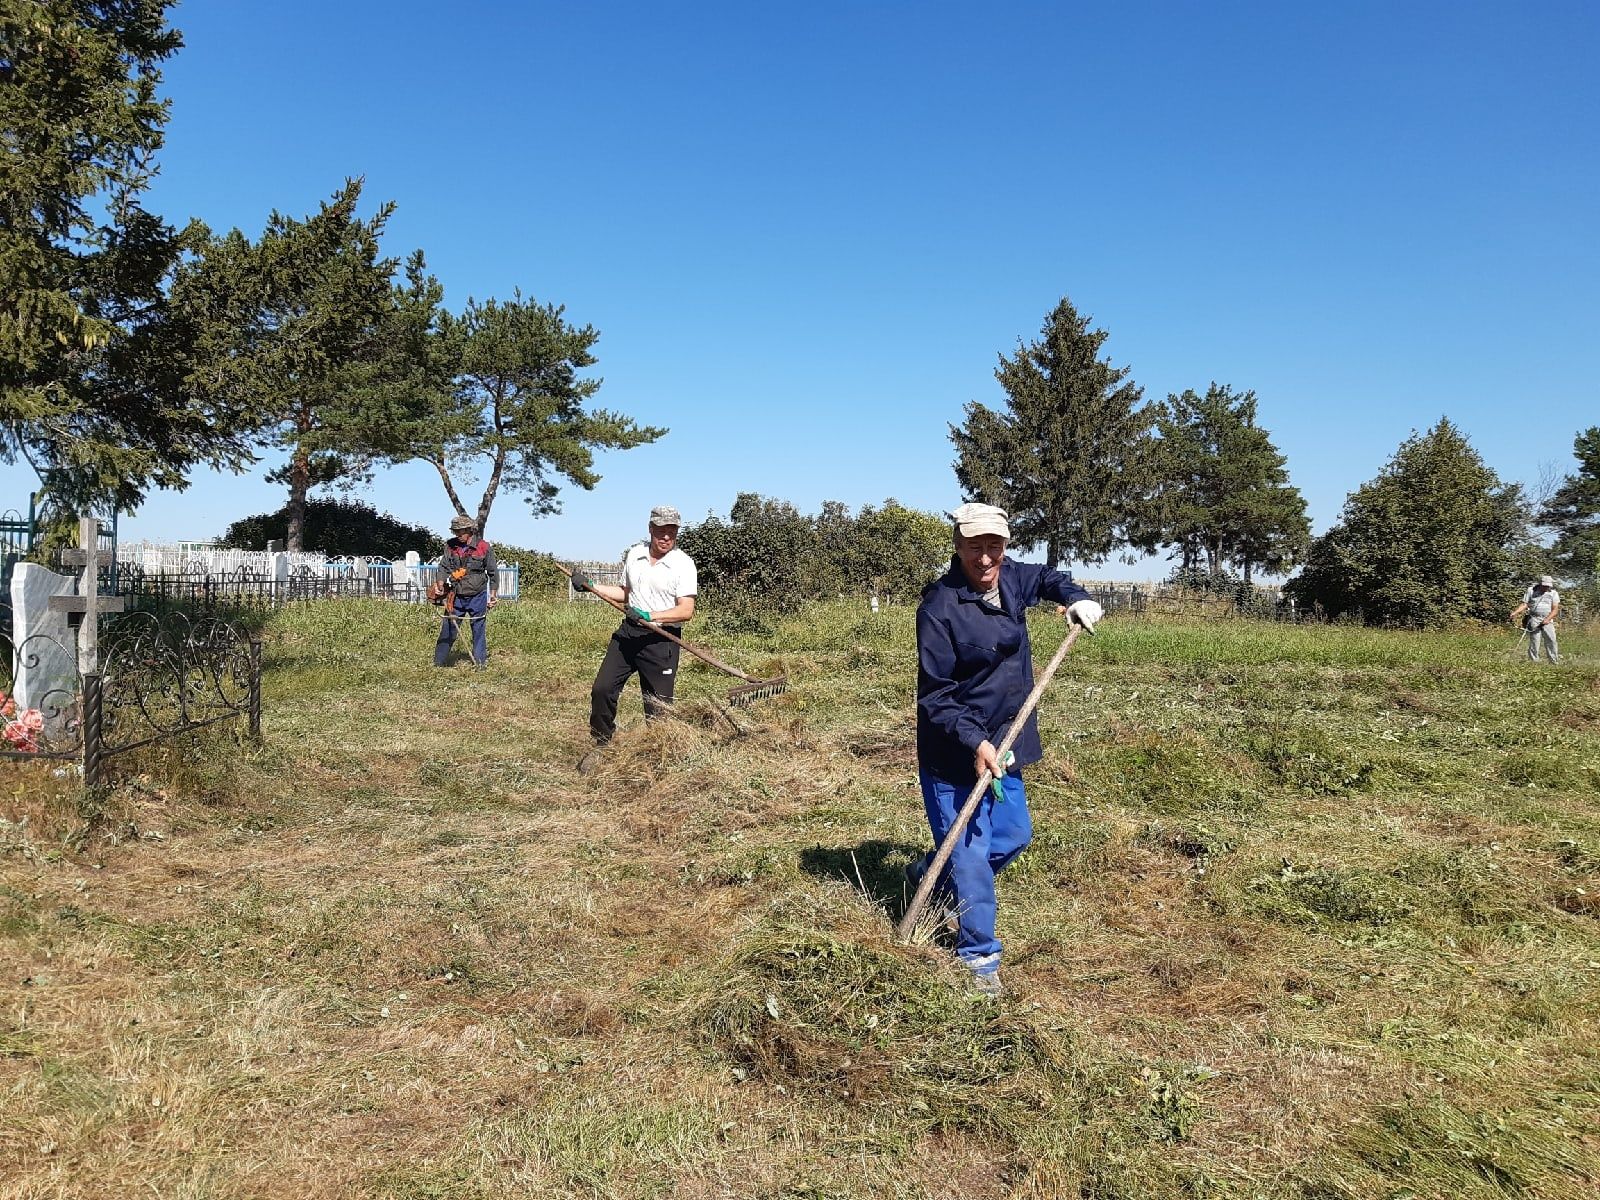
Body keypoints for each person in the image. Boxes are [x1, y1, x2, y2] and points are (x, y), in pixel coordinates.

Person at [911, 502, 1103, 998]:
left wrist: (1076, 598)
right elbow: (936, 695)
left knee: (1015, 834)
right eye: (975, 546)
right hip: (956, 748)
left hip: (1009, 738)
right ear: (958, 546)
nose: (985, 558)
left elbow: (1046, 578)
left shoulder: (1013, 577)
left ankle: (933, 875)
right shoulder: (939, 606)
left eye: (994, 546)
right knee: (972, 856)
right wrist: (975, 742)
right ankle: (977, 958)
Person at [574, 505, 698, 767]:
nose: (666, 537)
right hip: (628, 635)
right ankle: (603, 743)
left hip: (661, 640)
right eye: (661, 531)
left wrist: (650, 615)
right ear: (650, 529)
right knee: (602, 689)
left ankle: (658, 757)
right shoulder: (635, 554)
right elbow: (626, 593)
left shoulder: (683, 564)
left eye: (672, 532)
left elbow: (686, 610)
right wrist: (592, 586)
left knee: (658, 709)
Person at [433, 514, 498, 668]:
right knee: (448, 628)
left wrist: (493, 595)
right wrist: (440, 583)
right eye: (455, 532)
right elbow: (443, 567)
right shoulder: (450, 546)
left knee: (478, 630)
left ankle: (480, 664)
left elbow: (493, 573)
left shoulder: (483, 547)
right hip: (456, 596)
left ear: (469, 530)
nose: (457, 535)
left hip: (478, 595)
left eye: (460, 531)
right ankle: (438, 664)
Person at [1511, 574, 1561, 664]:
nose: (1546, 587)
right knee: (1535, 641)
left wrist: (1548, 619)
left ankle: (1553, 661)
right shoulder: (1531, 591)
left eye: (1548, 586)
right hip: (1534, 618)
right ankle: (1534, 661)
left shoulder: (1553, 593)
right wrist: (1515, 612)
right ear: (1540, 583)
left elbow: (1555, 609)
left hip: (1547, 620)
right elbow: (1525, 604)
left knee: (1551, 640)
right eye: (1544, 585)